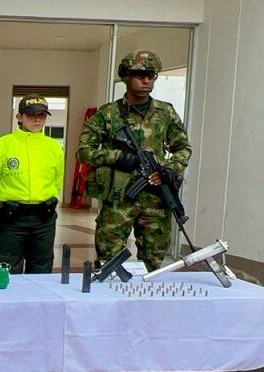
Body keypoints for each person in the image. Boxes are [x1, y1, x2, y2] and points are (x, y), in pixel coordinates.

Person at [77, 51, 191, 271]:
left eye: (151, 74)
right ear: (126, 76)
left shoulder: (165, 112)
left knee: (155, 262)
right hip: (119, 198)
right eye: (140, 74)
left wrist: (170, 169)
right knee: (110, 261)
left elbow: (183, 148)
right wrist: (118, 157)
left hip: (156, 197)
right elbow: (84, 151)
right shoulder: (108, 114)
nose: (146, 79)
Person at [0, 94, 64, 274]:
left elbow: (56, 182)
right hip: (11, 218)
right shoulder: (1, 145)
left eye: (42, 115)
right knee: (9, 268)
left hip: (43, 218)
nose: (37, 119)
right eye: (31, 114)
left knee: (42, 269)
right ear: (19, 117)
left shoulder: (54, 148)